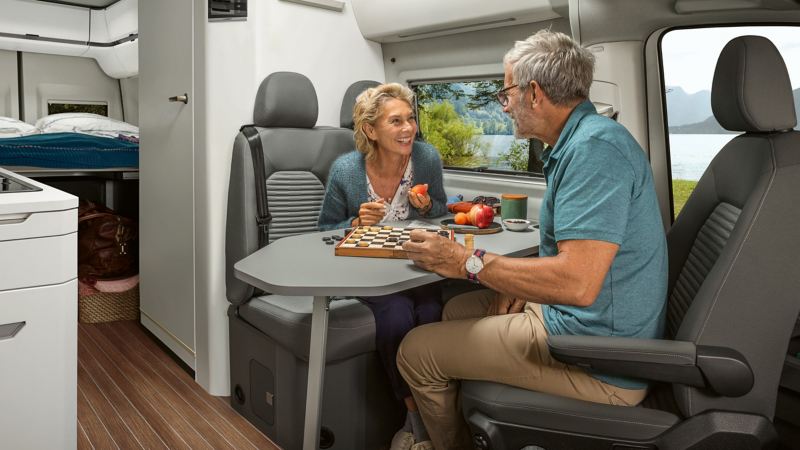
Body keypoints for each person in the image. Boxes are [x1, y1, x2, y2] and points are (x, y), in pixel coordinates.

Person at [398, 30, 668, 449]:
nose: (505, 107)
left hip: (598, 358)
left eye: (506, 95)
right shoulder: (577, 142)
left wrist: (465, 261)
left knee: (415, 351)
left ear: (535, 93)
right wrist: (522, 290)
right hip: (586, 323)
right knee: (453, 310)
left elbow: (578, 283)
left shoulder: (595, 149)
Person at [318, 83, 448, 450]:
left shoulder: (427, 158)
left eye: (410, 119)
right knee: (395, 316)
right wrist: (355, 223)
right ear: (371, 130)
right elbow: (323, 229)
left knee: (430, 310)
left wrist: (425, 207)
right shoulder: (346, 170)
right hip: (368, 270)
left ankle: (430, 415)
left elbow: (439, 210)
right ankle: (417, 417)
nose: (408, 128)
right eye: (395, 121)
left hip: (413, 267)